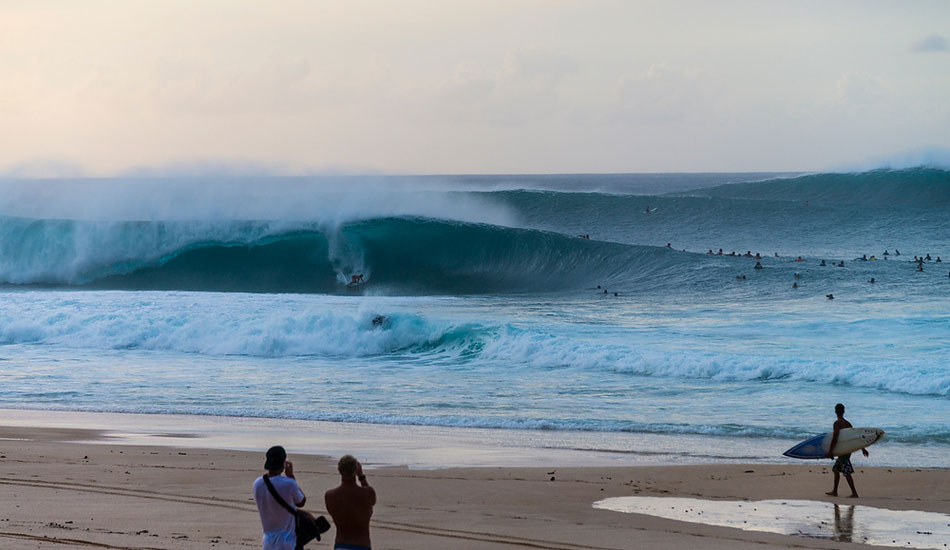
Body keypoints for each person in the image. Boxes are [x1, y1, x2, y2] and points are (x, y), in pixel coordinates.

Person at [253, 446, 309, 550]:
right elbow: (301, 501)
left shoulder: (257, 484)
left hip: (268, 542)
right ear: (283, 464)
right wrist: (291, 476)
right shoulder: (289, 484)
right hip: (288, 542)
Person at [325, 455, 376, 550]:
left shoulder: (330, 496)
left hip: (341, 544)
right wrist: (361, 477)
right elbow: (372, 500)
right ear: (356, 469)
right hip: (362, 544)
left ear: (339, 470)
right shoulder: (367, 493)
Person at [825, 404, 869, 498]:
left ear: (835, 412)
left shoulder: (837, 423)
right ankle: (835, 491)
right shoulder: (848, 423)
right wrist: (863, 448)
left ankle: (854, 493)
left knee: (847, 472)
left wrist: (830, 451)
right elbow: (855, 437)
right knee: (836, 470)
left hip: (843, 451)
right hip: (846, 450)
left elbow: (835, 438)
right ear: (844, 411)